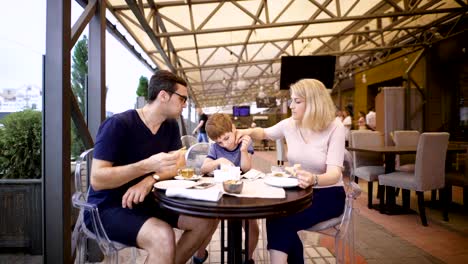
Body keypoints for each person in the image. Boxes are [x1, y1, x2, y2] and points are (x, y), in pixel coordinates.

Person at [86, 70, 217, 264]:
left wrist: (150, 179)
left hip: (150, 200)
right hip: (108, 206)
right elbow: (97, 180)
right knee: (162, 236)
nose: (185, 104)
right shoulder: (118, 124)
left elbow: (177, 164)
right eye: (182, 99)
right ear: (163, 96)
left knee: (206, 219)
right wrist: (145, 166)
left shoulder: (170, 126)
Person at [236, 78, 346, 264]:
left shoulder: (335, 127)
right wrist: (244, 131)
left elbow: (334, 173)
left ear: (313, 103)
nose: (291, 106)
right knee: (277, 216)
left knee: (281, 220)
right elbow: (263, 133)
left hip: (328, 193)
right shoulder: (290, 124)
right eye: (291, 100)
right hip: (299, 192)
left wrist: (314, 179)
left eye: (297, 101)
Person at [195, 113, 259, 264]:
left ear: (233, 128)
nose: (224, 144)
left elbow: (246, 168)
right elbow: (204, 168)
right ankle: (199, 255)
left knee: (253, 229)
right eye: (220, 142)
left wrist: (243, 150)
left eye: (226, 138)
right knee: (208, 224)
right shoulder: (215, 148)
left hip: (243, 192)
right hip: (221, 194)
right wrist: (220, 160)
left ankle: (247, 258)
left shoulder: (245, 142)